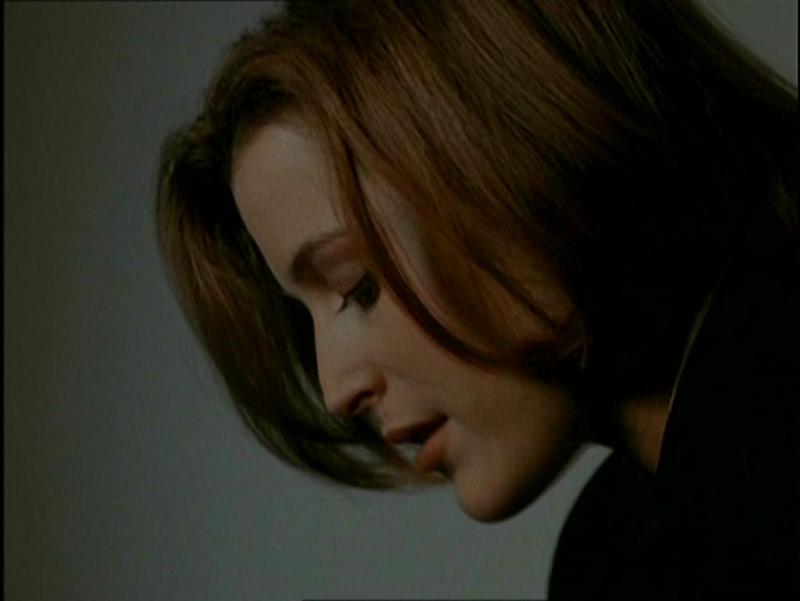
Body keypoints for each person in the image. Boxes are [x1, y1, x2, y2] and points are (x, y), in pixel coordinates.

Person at [156, 0, 798, 597]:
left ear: (520, 144)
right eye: (308, 317)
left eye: (358, 286)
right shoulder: (611, 554)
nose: (335, 390)